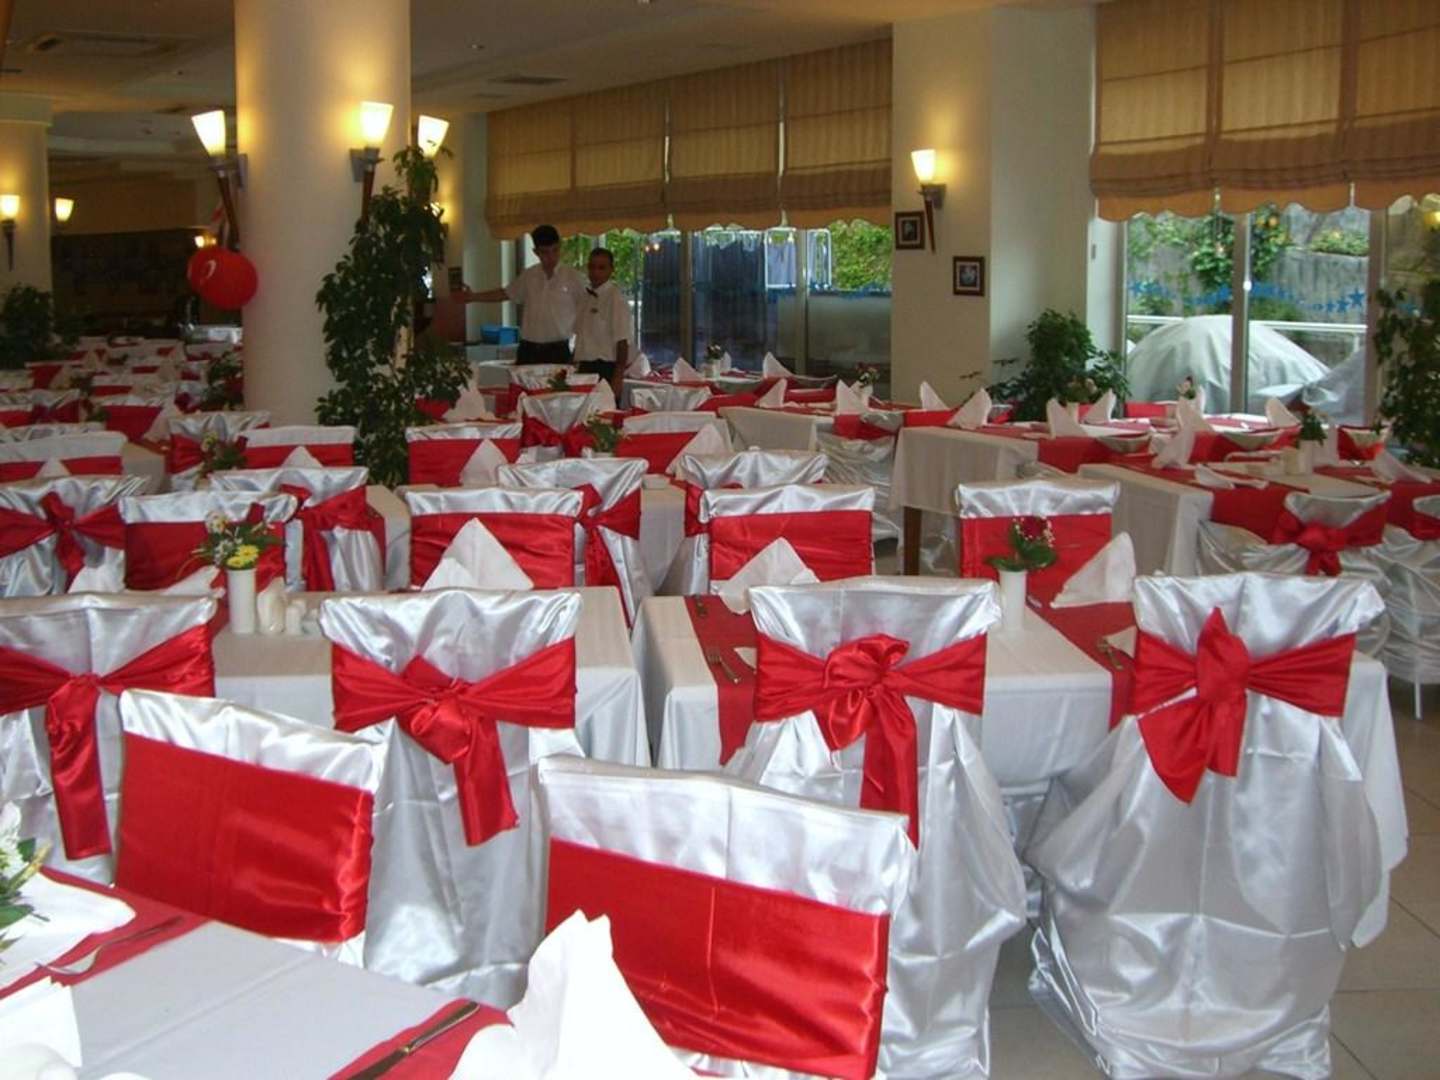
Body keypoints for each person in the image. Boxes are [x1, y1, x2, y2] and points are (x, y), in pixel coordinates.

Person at [460, 224, 585, 365]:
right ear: (536, 252)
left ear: (560, 247)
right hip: (529, 349)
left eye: (555, 250)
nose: (551, 257)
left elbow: (585, 315)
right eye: (545, 252)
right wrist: (474, 297)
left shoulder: (574, 278)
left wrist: (579, 350)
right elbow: (506, 293)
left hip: (558, 349)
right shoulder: (529, 276)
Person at [571, 247, 631, 397]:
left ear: (611, 270)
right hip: (584, 368)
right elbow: (580, 337)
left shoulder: (615, 298)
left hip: (605, 369)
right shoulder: (585, 298)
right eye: (592, 267)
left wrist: (618, 377)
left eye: (601, 268)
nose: (595, 272)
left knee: (604, 411)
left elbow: (622, 341)